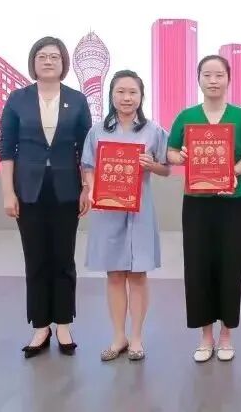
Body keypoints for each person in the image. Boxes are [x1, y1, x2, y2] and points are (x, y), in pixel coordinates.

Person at [0, 36, 92, 358]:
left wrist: (87, 188)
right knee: (35, 257)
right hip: (28, 190)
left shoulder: (77, 100)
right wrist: (8, 192)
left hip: (66, 189)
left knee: (64, 258)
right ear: (33, 62)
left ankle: (63, 323)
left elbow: (86, 150)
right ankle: (40, 326)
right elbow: (6, 149)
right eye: (42, 56)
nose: (48, 61)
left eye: (54, 56)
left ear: (64, 62)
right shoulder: (17, 99)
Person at [166, 55, 241, 363]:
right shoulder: (186, 116)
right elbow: (171, 151)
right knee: (198, 266)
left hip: (232, 201)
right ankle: (205, 335)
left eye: (219, 75)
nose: (213, 80)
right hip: (197, 203)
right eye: (207, 75)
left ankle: (226, 334)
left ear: (229, 79)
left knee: (231, 266)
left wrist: (232, 173)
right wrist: (180, 157)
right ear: (199, 79)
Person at [79, 71, 171, 362]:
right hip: (108, 210)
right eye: (120, 92)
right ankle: (118, 336)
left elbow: (166, 168)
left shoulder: (154, 131)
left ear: (142, 96)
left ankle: (137, 337)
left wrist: (151, 165)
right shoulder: (97, 131)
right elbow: (88, 166)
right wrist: (91, 190)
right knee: (115, 274)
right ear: (111, 95)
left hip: (140, 210)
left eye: (133, 92)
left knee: (138, 274)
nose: (127, 98)